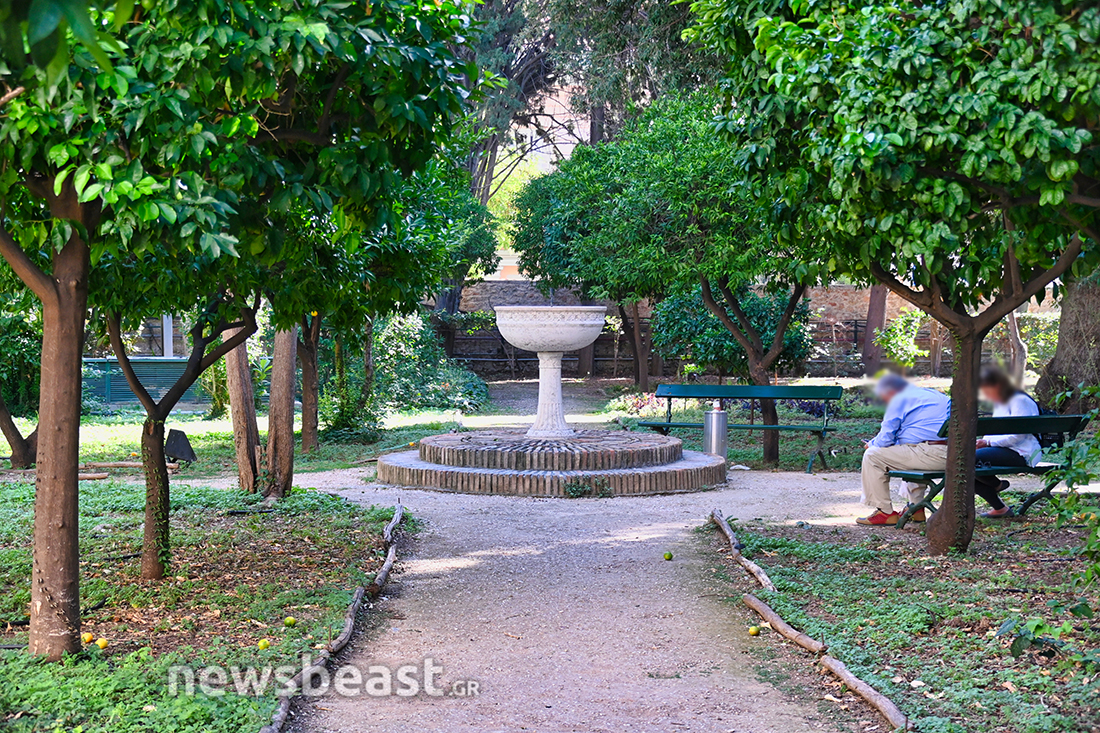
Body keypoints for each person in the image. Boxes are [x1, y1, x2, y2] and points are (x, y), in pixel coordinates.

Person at [857, 373, 951, 526]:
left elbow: (886, 438)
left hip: (931, 454)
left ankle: (884, 511)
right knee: (909, 450)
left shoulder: (899, 399)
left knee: (873, 455)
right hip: (953, 452)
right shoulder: (936, 395)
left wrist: (871, 444)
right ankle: (916, 508)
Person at [974, 366, 1041, 519]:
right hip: (1006, 449)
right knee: (963, 466)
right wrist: (983, 441)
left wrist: (988, 443)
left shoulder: (1019, 400)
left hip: (1022, 452)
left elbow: (1018, 436)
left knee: (969, 460)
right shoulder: (1001, 402)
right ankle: (1000, 508)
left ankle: (996, 485)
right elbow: (995, 433)